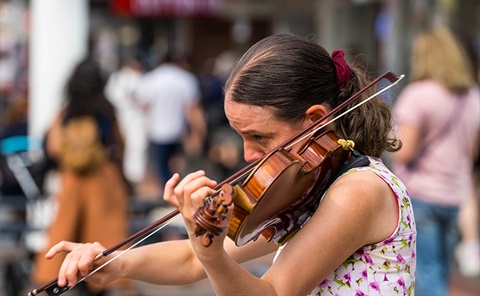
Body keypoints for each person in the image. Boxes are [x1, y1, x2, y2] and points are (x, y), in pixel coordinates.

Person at [41, 34, 416, 295]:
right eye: (240, 136)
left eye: (260, 137)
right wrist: (112, 262)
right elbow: (190, 260)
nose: (247, 155)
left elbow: (272, 292)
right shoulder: (314, 184)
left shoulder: (357, 191)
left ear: (314, 118)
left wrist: (210, 251)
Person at [32, 58, 133, 295]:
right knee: (104, 240)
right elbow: (118, 145)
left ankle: (61, 278)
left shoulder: (67, 111)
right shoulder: (106, 110)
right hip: (103, 179)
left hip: (71, 180)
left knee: (67, 233)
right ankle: (101, 281)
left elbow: (53, 147)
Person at [391, 27, 480, 295]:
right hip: (456, 197)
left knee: (427, 274)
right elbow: (471, 152)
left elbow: (405, 151)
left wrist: (388, 136)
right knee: (441, 270)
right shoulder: (472, 96)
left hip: (422, 195)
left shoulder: (419, 94)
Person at [134, 53, 206, 188]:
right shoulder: (186, 79)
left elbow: (143, 105)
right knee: (179, 167)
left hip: (158, 131)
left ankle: (167, 193)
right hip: (179, 131)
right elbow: (193, 110)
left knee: (161, 167)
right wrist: (197, 134)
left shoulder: (151, 79)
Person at [105, 54, 147, 191]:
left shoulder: (118, 78)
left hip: (126, 121)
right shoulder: (134, 78)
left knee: (129, 150)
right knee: (133, 150)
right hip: (130, 121)